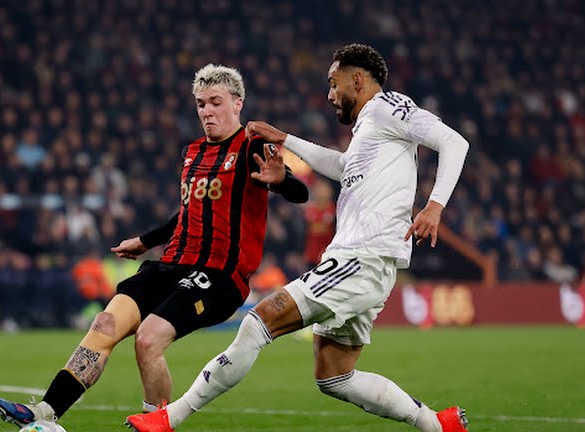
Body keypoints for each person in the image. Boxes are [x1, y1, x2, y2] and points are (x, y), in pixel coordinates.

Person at [125, 43, 470, 432]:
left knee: (259, 321)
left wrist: (434, 205)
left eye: (333, 83)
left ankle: (169, 418)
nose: (329, 95)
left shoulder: (389, 106)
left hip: (363, 256)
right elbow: (341, 167)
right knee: (335, 377)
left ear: (357, 79)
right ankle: (438, 425)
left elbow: (454, 142)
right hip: (364, 262)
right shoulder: (370, 130)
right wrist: (286, 139)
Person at [0, 64, 308, 428]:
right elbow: (186, 215)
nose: (207, 111)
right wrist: (144, 242)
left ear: (238, 104)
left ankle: (154, 424)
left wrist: (283, 181)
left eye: (216, 102)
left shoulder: (252, 146)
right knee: (106, 323)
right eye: (201, 104)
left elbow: (301, 192)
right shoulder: (192, 152)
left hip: (219, 275)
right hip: (171, 265)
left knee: (148, 339)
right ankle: (45, 413)